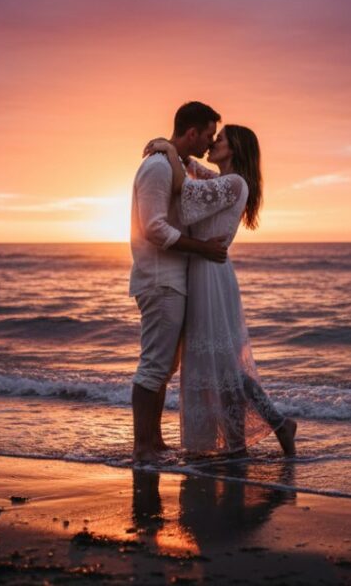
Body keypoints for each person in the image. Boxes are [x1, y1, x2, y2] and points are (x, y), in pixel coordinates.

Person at [144, 125, 297, 456]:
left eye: (222, 139)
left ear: (236, 148)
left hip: (211, 275)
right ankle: (268, 429)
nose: (214, 142)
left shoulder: (234, 183)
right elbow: (192, 170)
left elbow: (185, 200)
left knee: (225, 365)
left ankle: (246, 440)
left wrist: (170, 153)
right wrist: (170, 147)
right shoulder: (221, 180)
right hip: (203, 272)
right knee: (221, 364)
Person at [129, 101, 228, 463]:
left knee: (165, 367)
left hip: (173, 280)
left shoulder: (180, 164)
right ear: (191, 132)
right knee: (154, 365)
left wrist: (172, 148)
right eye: (207, 135)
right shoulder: (157, 167)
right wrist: (202, 248)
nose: (209, 142)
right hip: (159, 280)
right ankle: (142, 447)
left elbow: (217, 182)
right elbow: (152, 227)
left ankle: (154, 443)